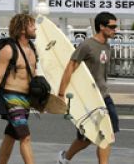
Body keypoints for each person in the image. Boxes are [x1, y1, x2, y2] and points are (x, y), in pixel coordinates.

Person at [56, 12, 120, 164]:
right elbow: (70, 67)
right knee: (85, 139)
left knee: (108, 134)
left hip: (103, 96)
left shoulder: (107, 46)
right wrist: (61, 94)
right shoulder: (87, 45)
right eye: (111, 27)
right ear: (101, 27)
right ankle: (65, 158)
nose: (115, 30)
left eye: (115, 26)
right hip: (88, 99)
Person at [0, 13, 38, 164]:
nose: (35, 28)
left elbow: (33, 75)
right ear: (23, 29)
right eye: (32, 25)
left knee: (11, 135)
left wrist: (40, 100)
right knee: (25, 136)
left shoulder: (31, 48)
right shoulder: (8, 50)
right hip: (11, 97)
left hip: (25, 99)